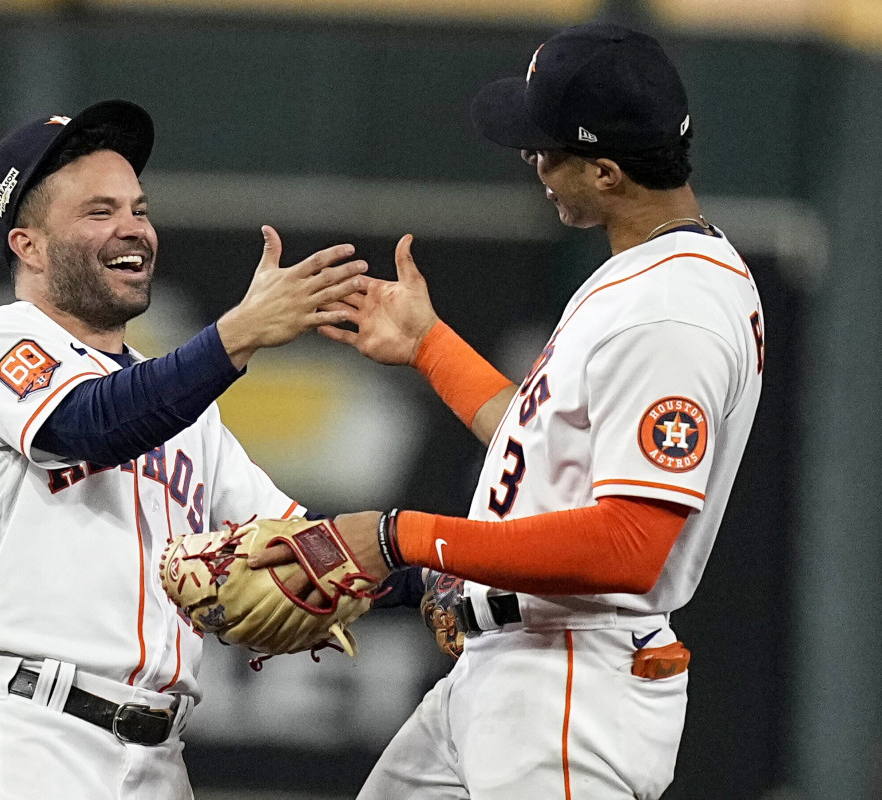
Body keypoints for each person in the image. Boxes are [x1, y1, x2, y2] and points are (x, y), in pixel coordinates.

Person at [253, 21, 766, 800]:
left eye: (546, 148)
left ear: (605, 171)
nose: (532, 161)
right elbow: (540, 442)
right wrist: (430, 346)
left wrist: (398, 537)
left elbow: (631, 545)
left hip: (569, 687)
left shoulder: (672, 312)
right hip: (513, 671)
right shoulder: (655, 269)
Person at [0, 99, 368, 799]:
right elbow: (92, 425)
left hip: (160, 760)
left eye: (138, 207)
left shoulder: (191, 414)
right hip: (24, 743)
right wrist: (239, 335)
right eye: (99, 212)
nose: (134, 228)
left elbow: (311, 548)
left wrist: (443, 568)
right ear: (28, 245)